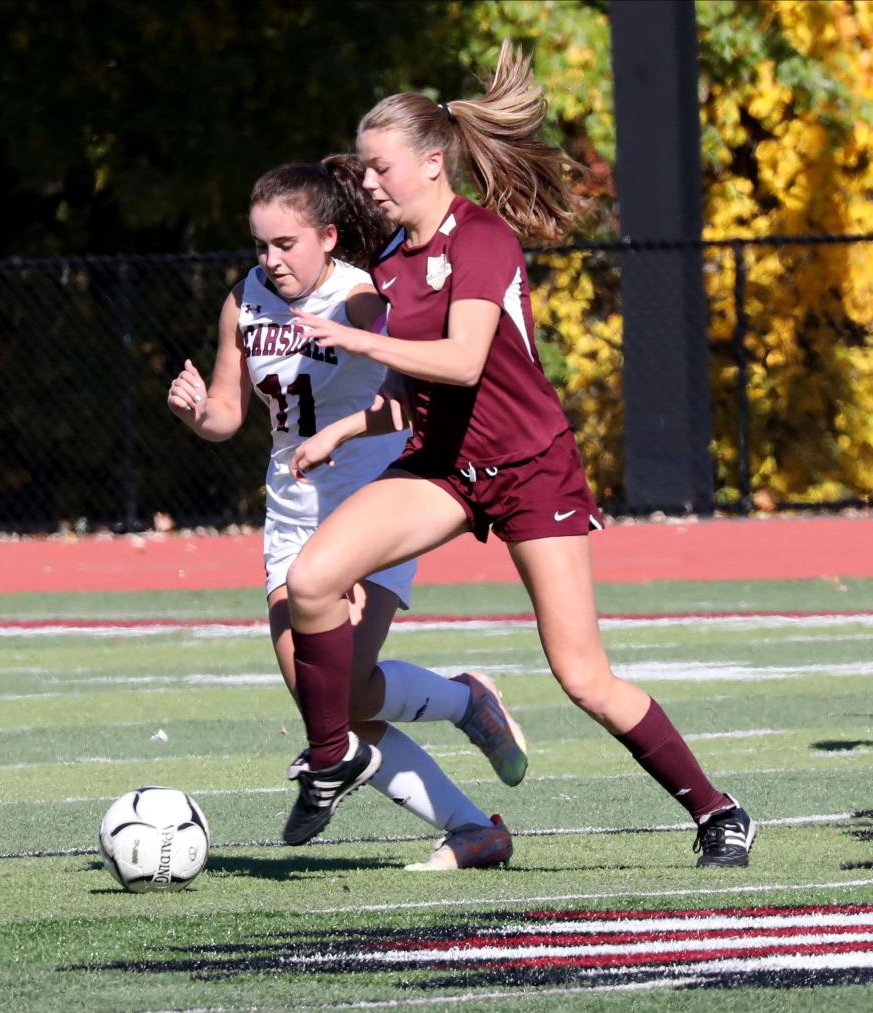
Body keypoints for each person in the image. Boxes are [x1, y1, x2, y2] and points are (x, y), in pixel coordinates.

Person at [283, 41, 757, 868]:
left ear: (433, 164)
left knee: (583, 676)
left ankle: (717, 809)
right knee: (311, 581)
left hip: (531, 467)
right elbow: (408, 393)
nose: (366, 183)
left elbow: (465, 361)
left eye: (378, 167)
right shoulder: (392, 264)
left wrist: (348, 331)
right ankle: (334, 756)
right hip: (443, 467)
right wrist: (341, 430)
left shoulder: (482, 238)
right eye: (361, 169)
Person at [167, 156, 526, 870]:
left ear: (329, 236)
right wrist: (198, 411)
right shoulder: (244, 301)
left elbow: (406, 394)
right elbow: (231, 414)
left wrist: (348, 432)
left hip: (373, 503)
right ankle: (472, 816)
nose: (269, 260)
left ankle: (463, 708)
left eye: (284, 244)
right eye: (260, 245)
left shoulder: (361, 297)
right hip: (292, 514)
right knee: (325, 700)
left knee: (347, 694)